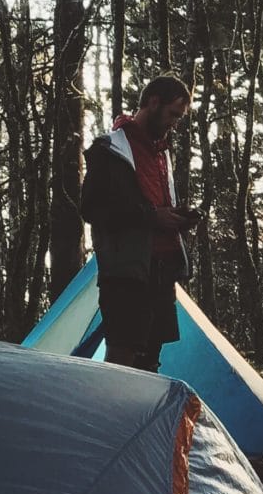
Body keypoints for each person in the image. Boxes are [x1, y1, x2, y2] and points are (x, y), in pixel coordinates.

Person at [78, 76, 200, 371]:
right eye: (172, 114)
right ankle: (112, 419)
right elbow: (91, 208)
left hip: (160, 271)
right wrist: (151, 216)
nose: (174, 123)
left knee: (149, 364)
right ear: (153, 102)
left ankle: (144, 420)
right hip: (125, 274)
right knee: (122, 362)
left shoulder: (161, 154)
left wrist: (176, 218)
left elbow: (155, 207)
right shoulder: (108, 150)